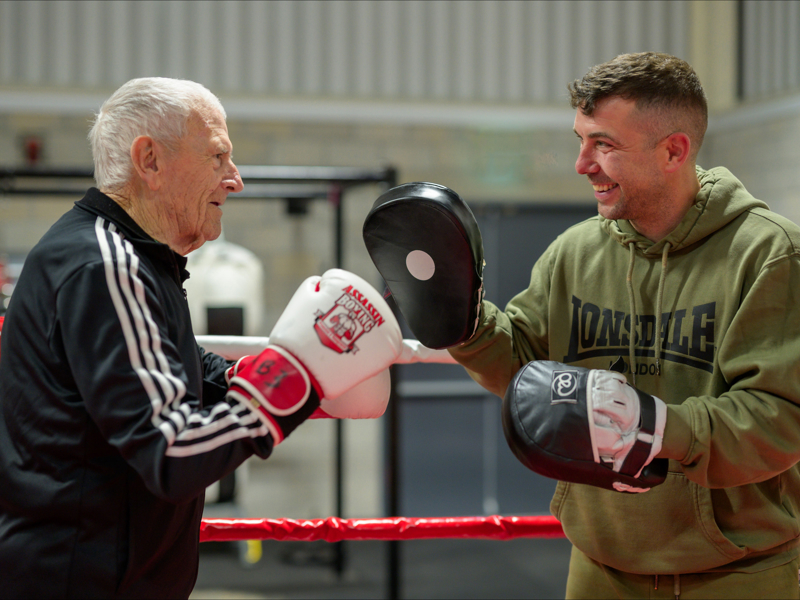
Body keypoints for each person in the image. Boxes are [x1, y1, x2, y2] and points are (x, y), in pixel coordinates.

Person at [0, 77, 402, 599]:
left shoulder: (134, 260)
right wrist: (294, 378)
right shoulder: (106, 266)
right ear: (150, 161)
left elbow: (177, 368)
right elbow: (174, 452)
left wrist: (267, 375)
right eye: (217, 157)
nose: (234, 179)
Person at [450, 52, 800, 598]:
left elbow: (780, 419)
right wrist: (460, 318)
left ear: (673, 151)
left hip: (738, 572)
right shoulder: (575, 251)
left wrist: (659, 428)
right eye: (580, 140)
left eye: (604, 145)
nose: (582, 163)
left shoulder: (767, 253)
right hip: (600, 567)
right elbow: (521, 367)